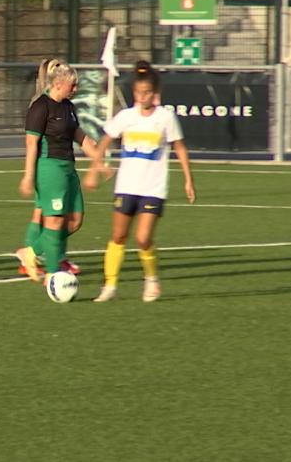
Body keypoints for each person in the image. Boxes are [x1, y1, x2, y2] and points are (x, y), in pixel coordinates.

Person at [88, 60, 195, 302]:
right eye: (138, 92)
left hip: (153, 188)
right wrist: (95, 168)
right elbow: (104, 141)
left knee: (143, 238)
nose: (142, 96)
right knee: (118, 237)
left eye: (146, 92)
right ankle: (110, 285)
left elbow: (179, 147)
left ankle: (151, 280)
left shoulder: (165, 118)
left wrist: (188, 180)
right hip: (126, 186)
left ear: (155, 93)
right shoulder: (125, 117)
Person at [15, 59, 103, 283]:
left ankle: (31, 252)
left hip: (68, 168)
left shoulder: (68, 107)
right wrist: (28, 176)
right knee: (53, 222)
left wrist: (99, 161)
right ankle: (53, 273)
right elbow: (31, 143)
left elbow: (80, 136)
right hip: (49, 167)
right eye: (72, 86)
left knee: (74, 220)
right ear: (58, 84)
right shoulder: (40, 106)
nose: (76, 89)